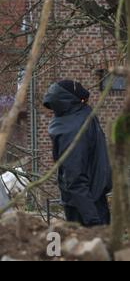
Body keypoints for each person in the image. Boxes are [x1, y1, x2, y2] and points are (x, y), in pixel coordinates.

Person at [43, 80, 113, 227]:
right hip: (85, 206)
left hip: (92, 199)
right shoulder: (73, 128)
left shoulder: (77, 117)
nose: (86, 101)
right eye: (83, 100)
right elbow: (74, 177)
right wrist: (93, 219)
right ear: (72, 99)